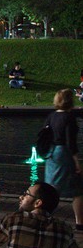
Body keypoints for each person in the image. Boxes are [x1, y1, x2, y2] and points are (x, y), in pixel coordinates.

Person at [44, 88, 83, 229]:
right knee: (78, 189)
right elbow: (70, 143)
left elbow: (44, 135)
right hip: (64, 153)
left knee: (52, 187)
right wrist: (77, 162)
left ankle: (45, 217)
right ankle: (79, 222)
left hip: (51, 153)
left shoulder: (51, 116)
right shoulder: (69, 118)